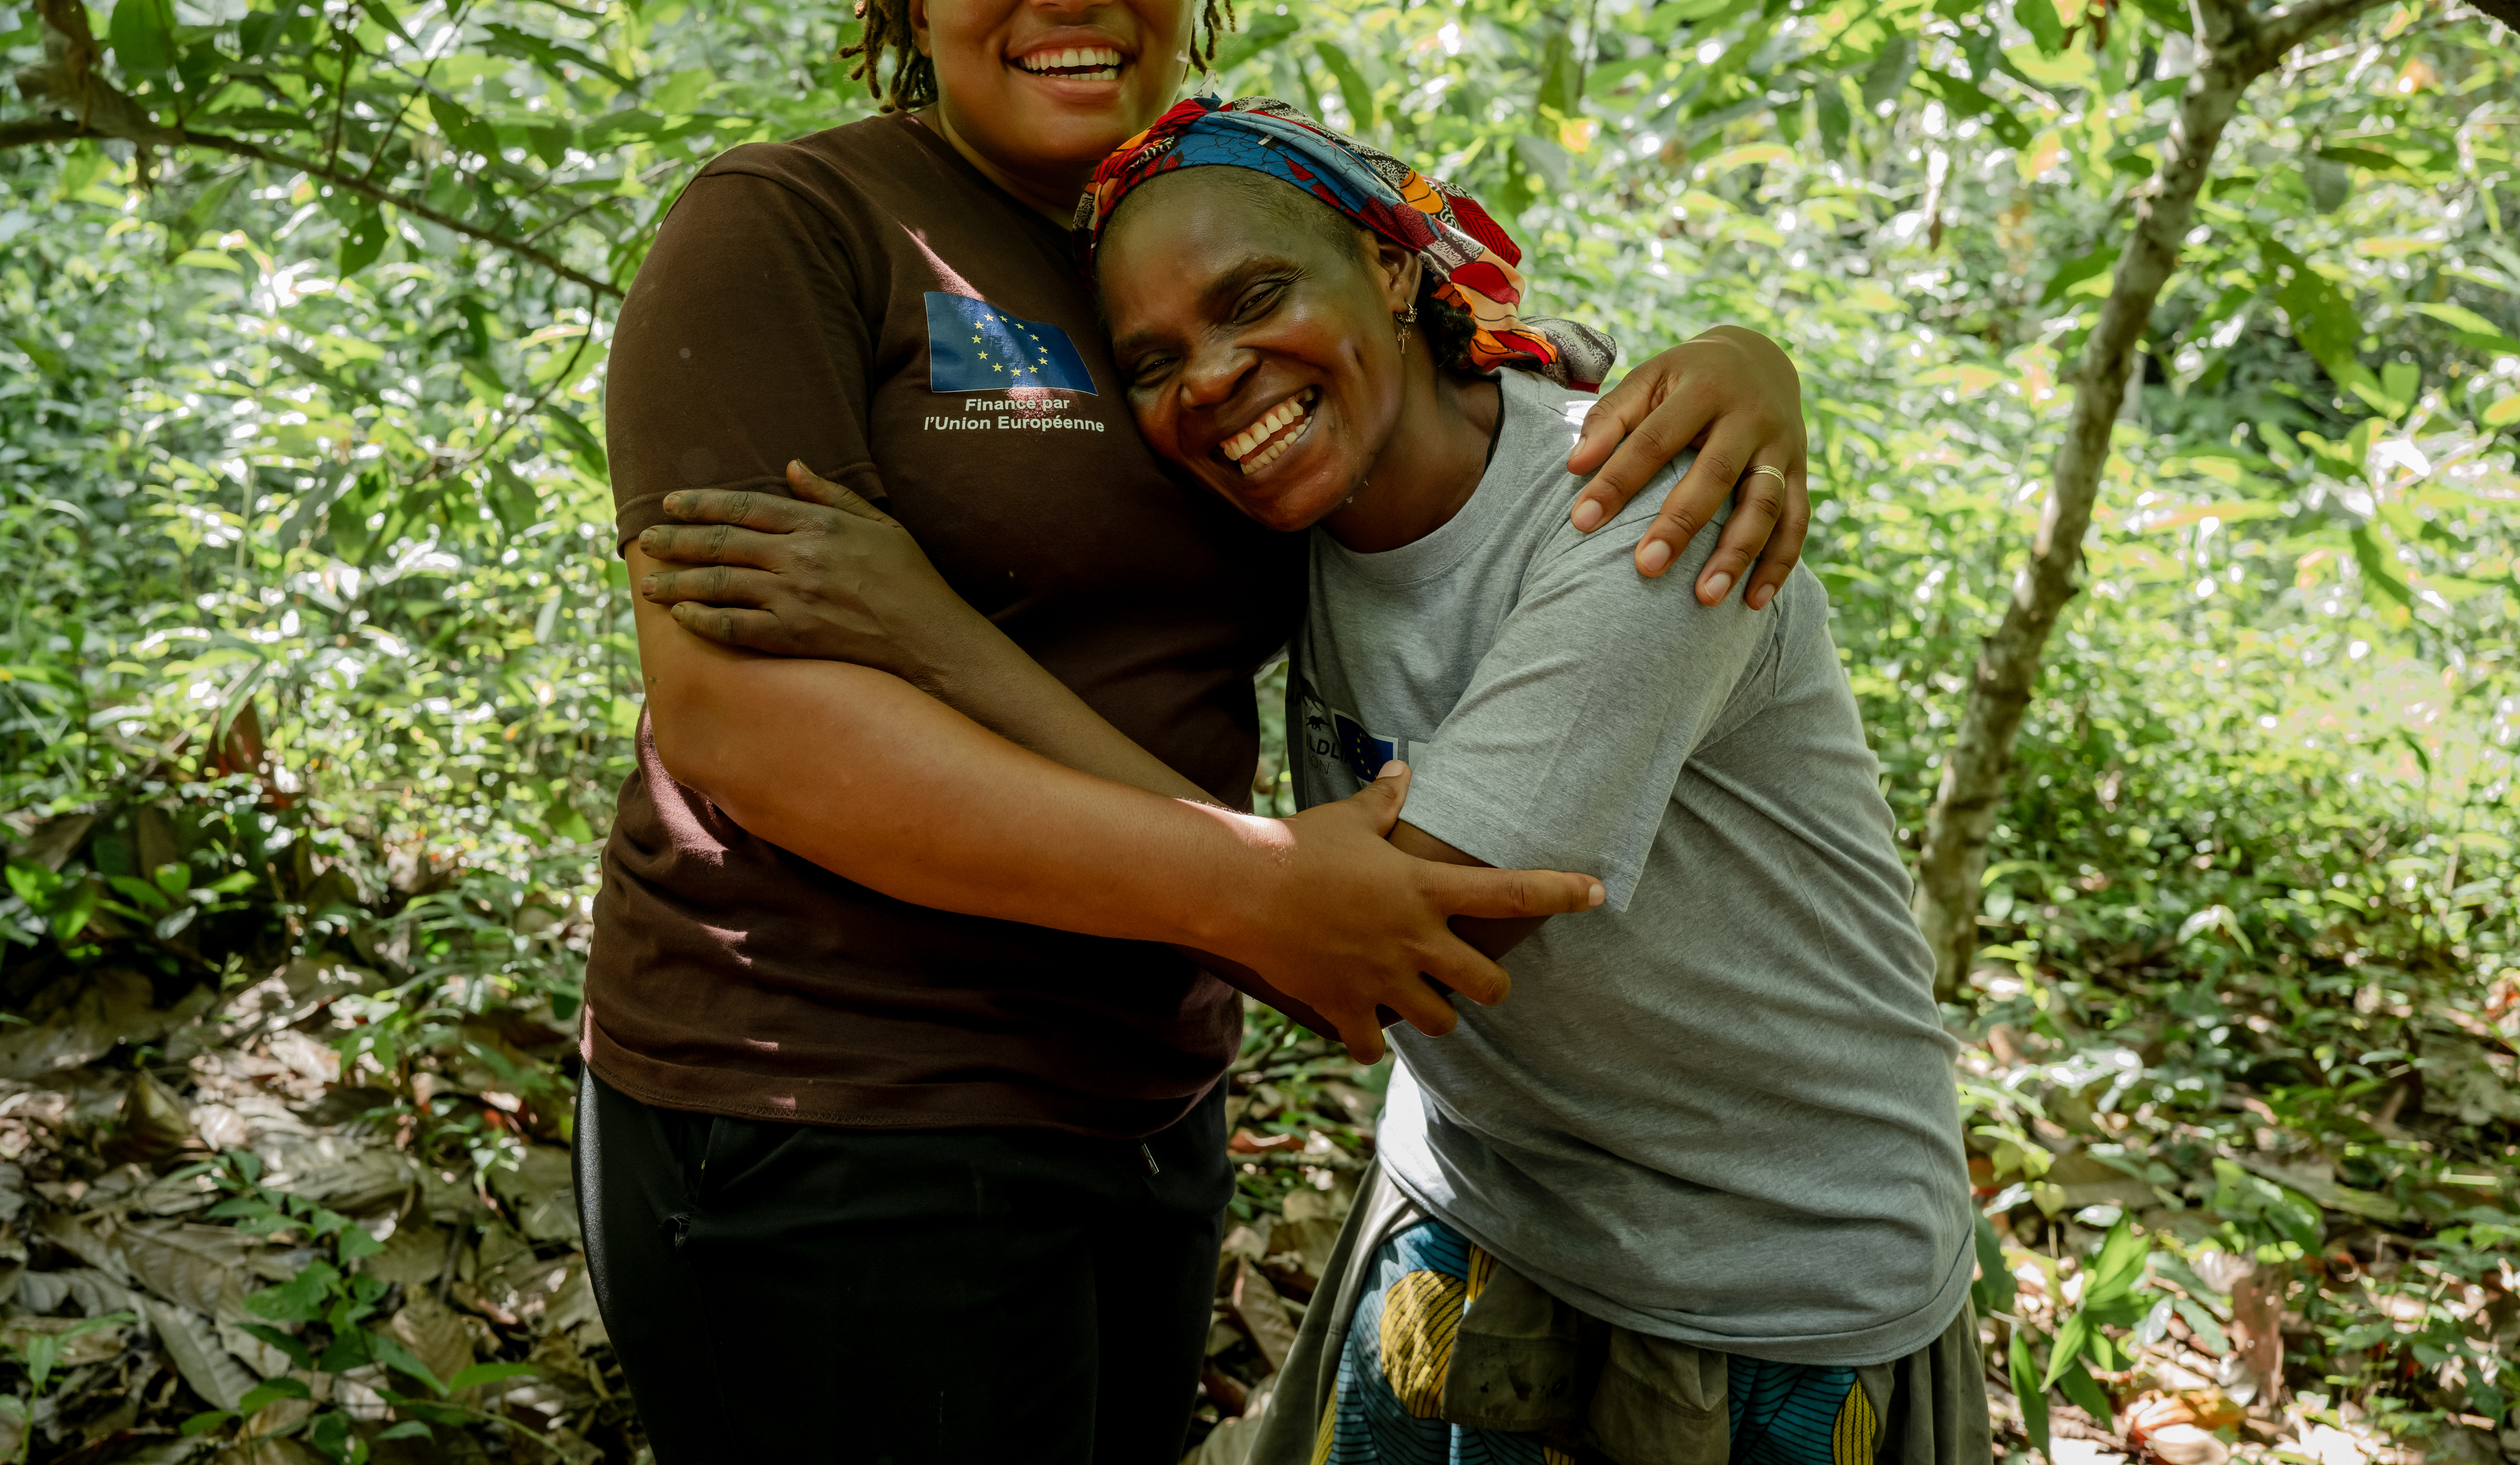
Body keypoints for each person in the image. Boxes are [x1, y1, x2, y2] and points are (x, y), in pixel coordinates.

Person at [583, 0, 1822, 1464]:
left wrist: (1743, 362)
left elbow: (1454, 396)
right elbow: (746, 725)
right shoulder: (795, 224)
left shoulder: (1182, 236)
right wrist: (1250, 896)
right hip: (830, 1102)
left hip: (1140, 1098)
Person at [647, 95, 1986, 1463]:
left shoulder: (1645, 514)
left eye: (1256, 296)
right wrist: (1741, 353)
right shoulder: (1296, 513)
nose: (1214, 378)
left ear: (1396, 268)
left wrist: (936, 639)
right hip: (1478, 1207)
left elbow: (1385, 944)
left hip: (1774, 1279)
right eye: (1154, 358)